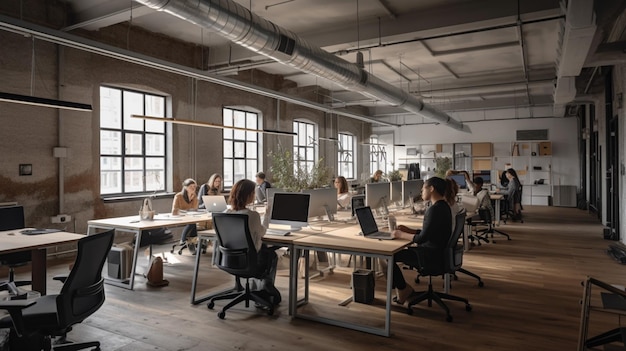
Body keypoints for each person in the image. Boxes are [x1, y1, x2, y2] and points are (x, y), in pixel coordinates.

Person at [390, 177, 453, 304]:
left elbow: (421, 239)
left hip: (428, 256)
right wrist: (409, 230)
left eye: (423, 187)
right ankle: (403, 288)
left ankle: (403, 289)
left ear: (431, 189)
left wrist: (400, 234)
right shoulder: (443, 206)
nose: (421, 190)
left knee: (389, 257)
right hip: (437, 253)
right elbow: (429, 233)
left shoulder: (434, 210)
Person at [226, 179, 281, 304]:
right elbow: (262, 233)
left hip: (229, 261)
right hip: (249, 263)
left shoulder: (226, 213)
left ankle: (259, 288)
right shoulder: (252, 215)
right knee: (271, 254)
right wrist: (267, 215)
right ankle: (266, 288)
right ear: (249, 195)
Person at [173, 178, 199, 251]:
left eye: (194, 187)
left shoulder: (194, 196)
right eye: (191, 187)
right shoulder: (178, 196)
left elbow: (195, 209)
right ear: (185, 187)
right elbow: (174, 211)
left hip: (190, 218)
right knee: (192, 223)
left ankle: (191, 243)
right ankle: (183, 240)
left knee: (193, 223)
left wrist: (193, 198)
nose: (193, 188)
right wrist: (184, 212)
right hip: (179, 217)